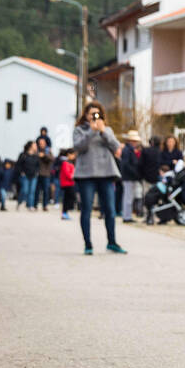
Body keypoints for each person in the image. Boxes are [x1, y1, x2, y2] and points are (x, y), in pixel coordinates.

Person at [73, 102, 125, 255]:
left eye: (97, 113)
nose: (94, 116)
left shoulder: (106, 129)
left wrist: (103, 132)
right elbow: (78, 147)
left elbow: (116, 147)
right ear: (86, 115)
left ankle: (112, 242)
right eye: (91, 114)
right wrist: (91, 131)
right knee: (87, 209)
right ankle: (88, 244)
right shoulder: (80, 130)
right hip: (86, 174)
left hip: (106, 173)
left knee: (110, 209)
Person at [118, 129, 144, 223]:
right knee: (128, 197)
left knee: (129, 197)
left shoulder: (129, 150)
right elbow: (126, 165)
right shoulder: (127, 150)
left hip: (130, 176)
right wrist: (135, 173)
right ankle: (126, 216)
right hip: (128, 177)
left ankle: (127, 215)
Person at [58, 149, 77, 219]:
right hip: (67, 183)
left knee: (67, 198)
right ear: (69, 154)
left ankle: (65, 213)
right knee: (69, 198)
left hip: (71, 183)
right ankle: (65, 212)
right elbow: (67, 173)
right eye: (73, 155)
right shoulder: (65, 163)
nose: (74, 156)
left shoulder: (71, 163)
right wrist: (73, 176)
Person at [36, 147, 54, 211]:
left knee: (46, 191)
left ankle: (45, 205)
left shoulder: (48, 152)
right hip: (38, 174)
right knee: (36, 191)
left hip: (46, 174)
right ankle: (35, 205)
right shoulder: (36, 151)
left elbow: (52, 159)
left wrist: (44, 155)